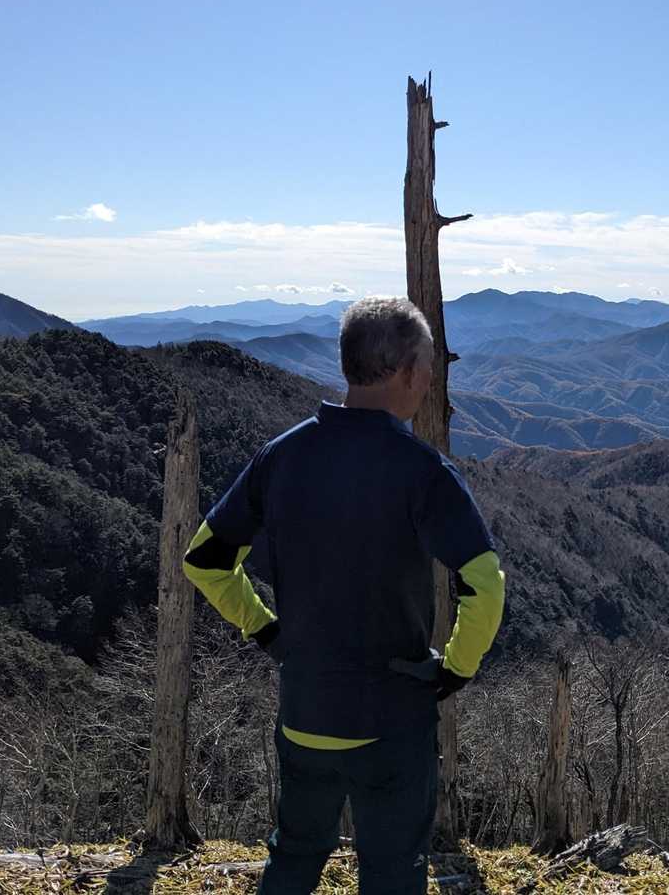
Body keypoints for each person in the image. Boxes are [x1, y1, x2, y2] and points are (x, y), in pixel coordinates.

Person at [183, 296, 505, 895]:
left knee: (294, 858)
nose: (431, 378)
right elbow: (484, 584)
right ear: (405, 371)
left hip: (305, 714)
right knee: (392, 874)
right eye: (428, 365)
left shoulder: (281, 455)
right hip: (392, 721)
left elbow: (204, 560)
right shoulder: (422, 470)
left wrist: (267, 630)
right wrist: (456, 669)